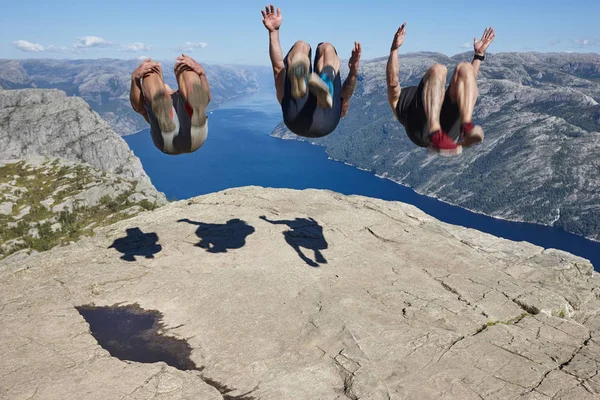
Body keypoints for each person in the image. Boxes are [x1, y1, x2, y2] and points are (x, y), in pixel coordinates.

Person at [386, 23, 496, 155]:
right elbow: (392, 82)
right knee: (438, 69)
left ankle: (466, 128)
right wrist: (394, 49)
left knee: (466, 68)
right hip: (420, 130)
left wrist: (478, 55)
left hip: (448, 131)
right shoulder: (402, 99)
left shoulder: (436, 95)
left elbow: (467, 83)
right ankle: (435, 132)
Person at [261, 4, 361, 138]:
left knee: (301, 46)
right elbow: (346, 94)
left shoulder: (286, 97)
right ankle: (326, 81)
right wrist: (353, 71)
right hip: (326, 123)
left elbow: (278, 66)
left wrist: (273, 32)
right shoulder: (285, 97)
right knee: (326, 48)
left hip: (294, 120)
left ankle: (301, 73)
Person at [129, 54, 211, 155]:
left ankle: (167, 120)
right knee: (187, 70)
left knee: (150, 73)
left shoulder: (158, 104)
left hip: (165, 142)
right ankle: (196, 116)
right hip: (195, 138)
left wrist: (135, 78)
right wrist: (201, 74)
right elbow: (206, 100)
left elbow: (139, 108)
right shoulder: (185, 98)